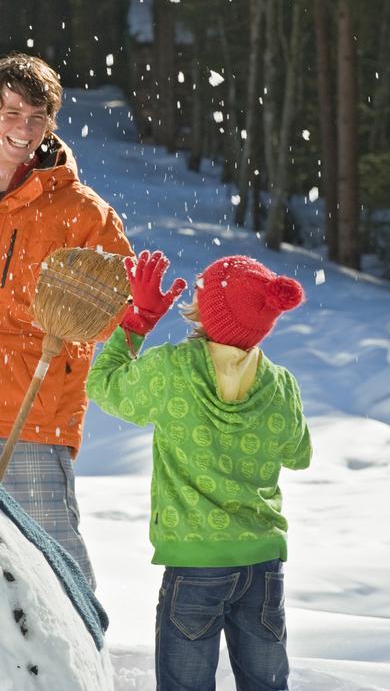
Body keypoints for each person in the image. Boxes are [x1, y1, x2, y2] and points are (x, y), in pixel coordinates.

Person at [0, 52, 132, 588]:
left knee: (54, 566)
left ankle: (79, 661)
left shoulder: (85, 214)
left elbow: (111, 313)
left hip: (34, 413)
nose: (25, 129)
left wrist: (93, 312)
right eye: (13, 113)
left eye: (38, 118)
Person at [87, 251, 311, 690]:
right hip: (262, 562)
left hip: (195, 563)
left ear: (205, 312)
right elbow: (299, 454)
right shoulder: (280, 383)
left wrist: (138, 321)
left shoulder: (172, 370)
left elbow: (103, 385)